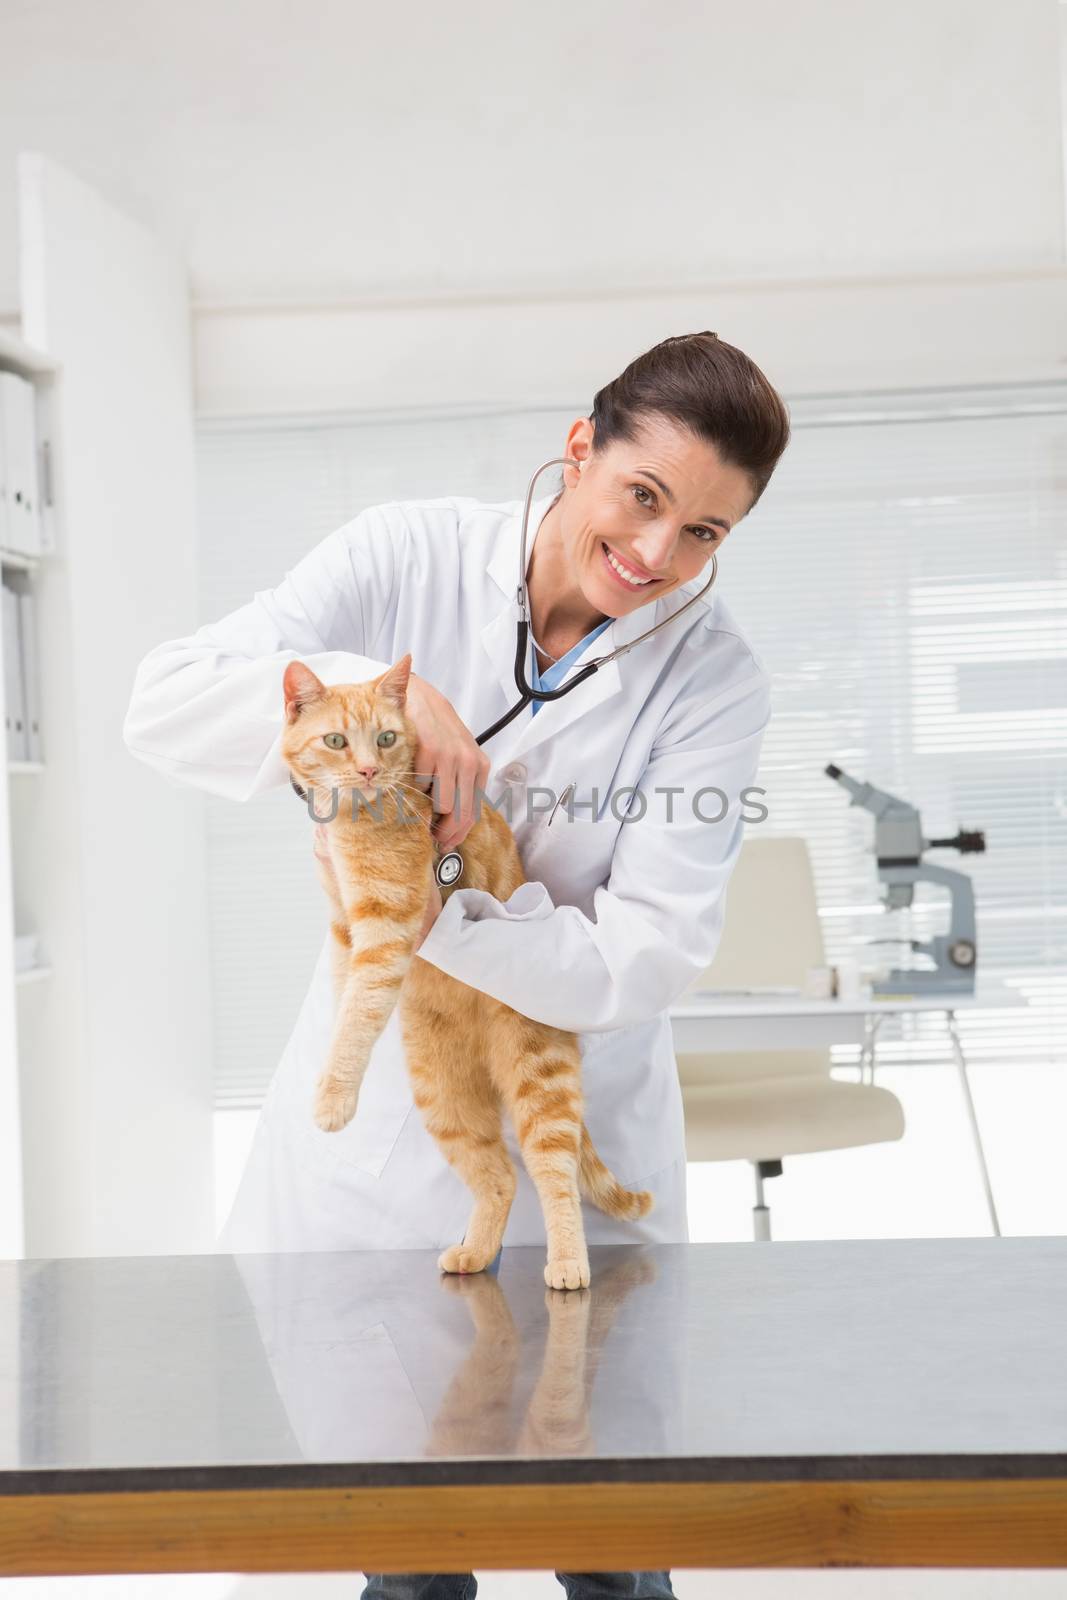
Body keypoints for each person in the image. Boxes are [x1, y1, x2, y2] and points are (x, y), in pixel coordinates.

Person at [123, 330, 790, 1599]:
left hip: (565, 1147)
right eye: (641, 496)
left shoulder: (713, 680)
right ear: (580, 448)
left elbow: (639, 954)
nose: (655, 556)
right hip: (383, 1153)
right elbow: (164, 700)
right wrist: (382, 701)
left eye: (703, 532)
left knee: (605, 1549)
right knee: (411, 1552)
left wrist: (434, 911)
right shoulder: (404, 555)